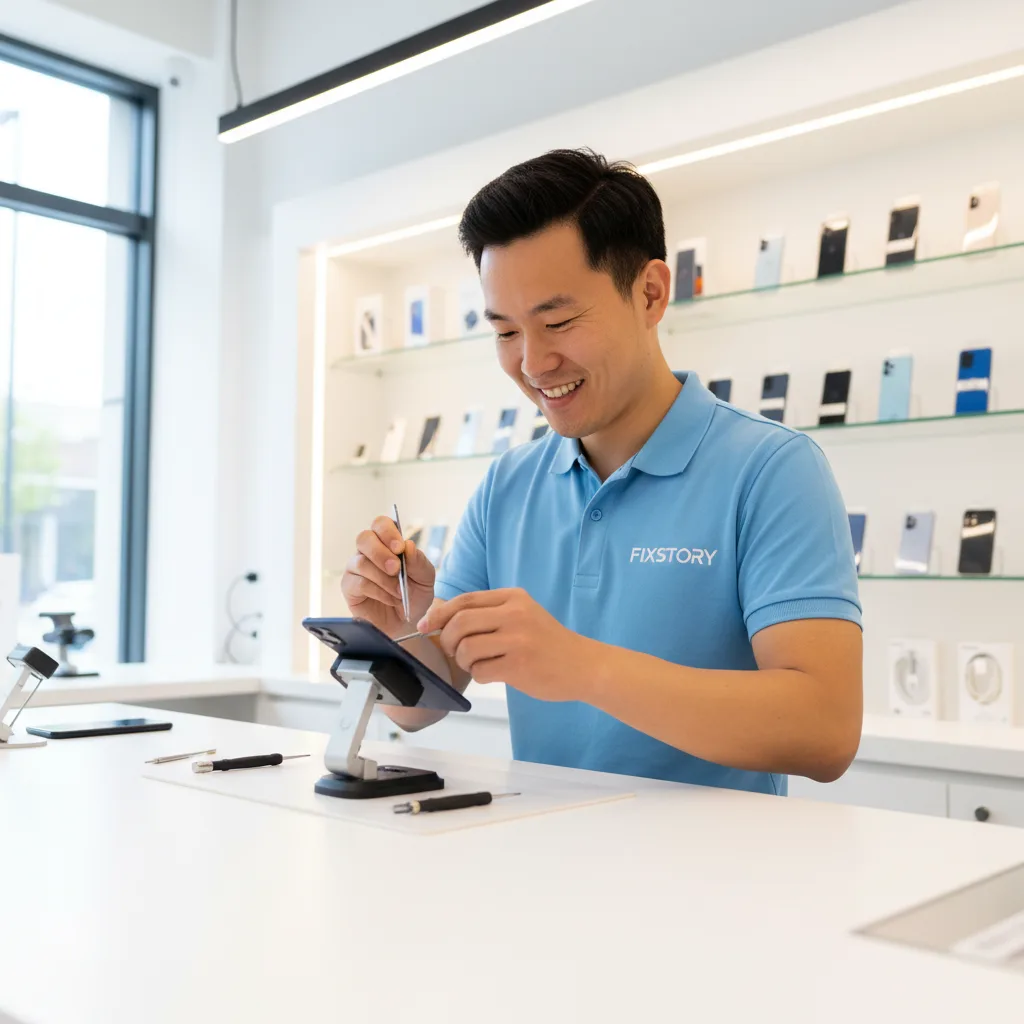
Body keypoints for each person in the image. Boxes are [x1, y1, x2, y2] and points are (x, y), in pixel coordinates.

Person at [340, 148, 862, 795]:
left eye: (558, 322)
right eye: (506, 333)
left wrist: (583, 667)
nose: (533, 363)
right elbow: (419, 706)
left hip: (716, 860)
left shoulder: (772, 470)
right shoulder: (508, 485)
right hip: (540, 847)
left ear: (650, 293)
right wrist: (396, 633)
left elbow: (824, 732)